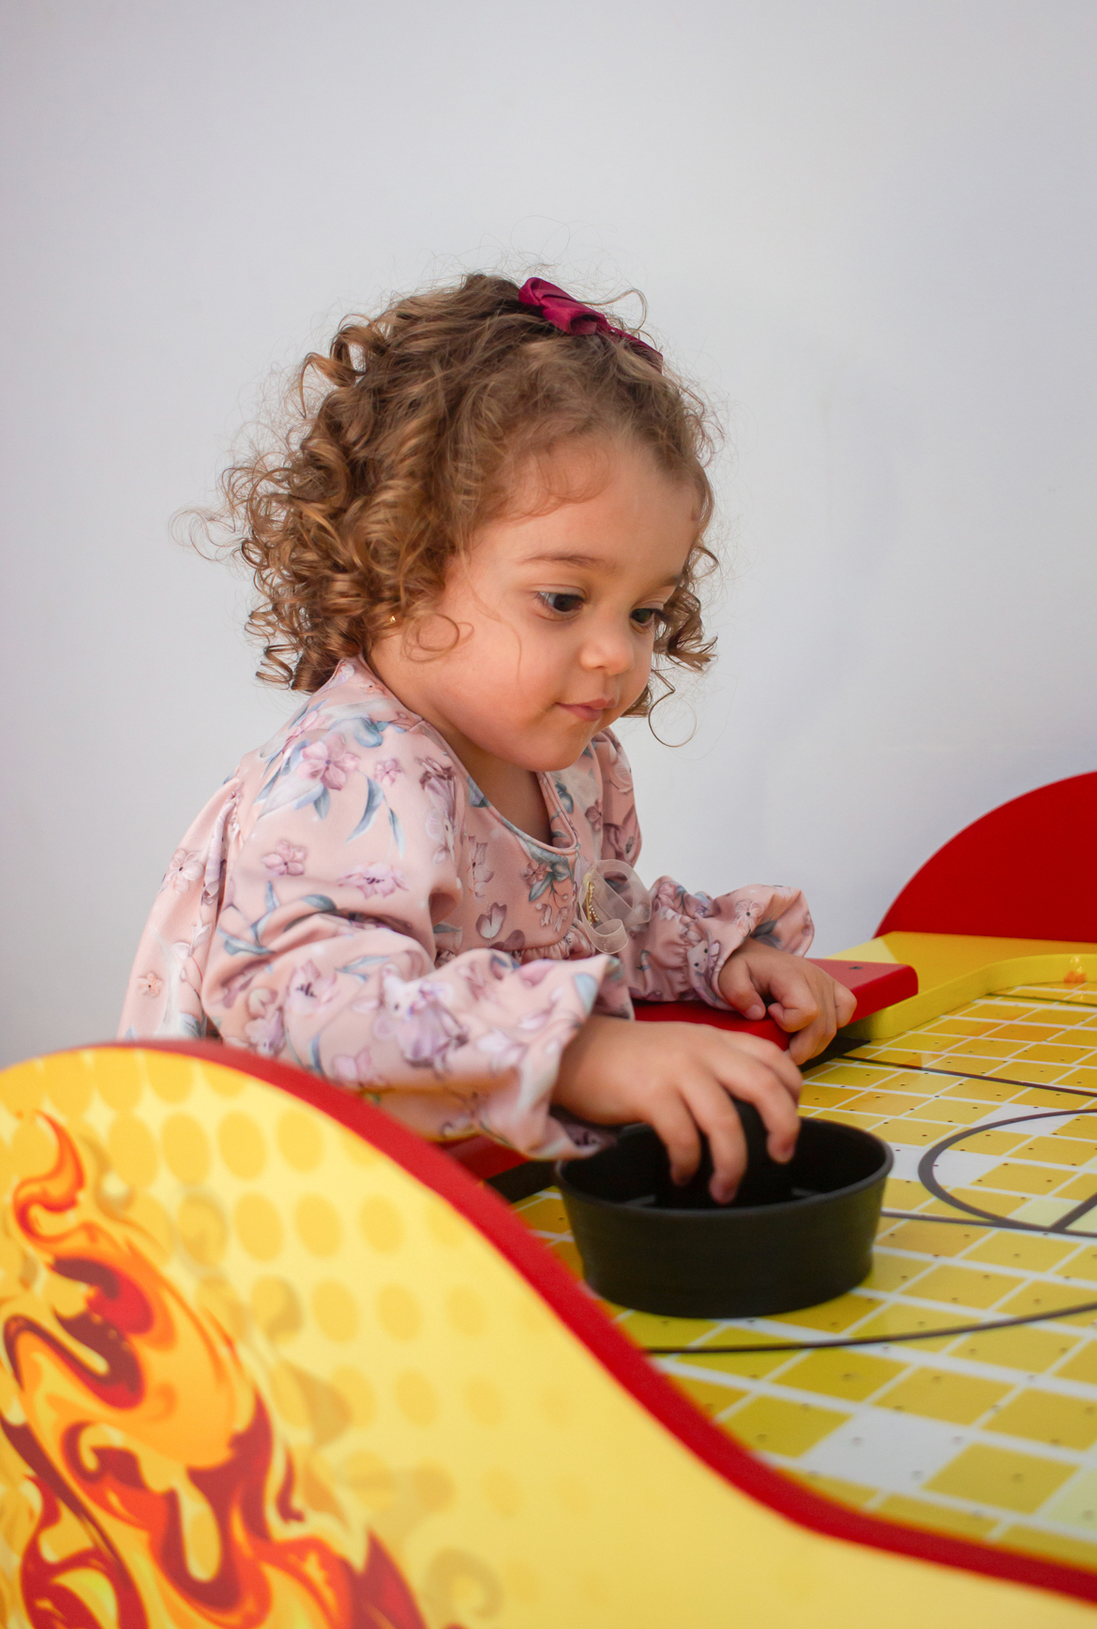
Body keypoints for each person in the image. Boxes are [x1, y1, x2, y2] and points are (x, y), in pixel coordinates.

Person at [121, 274, 854, 1201]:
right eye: (563, 599)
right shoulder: (351, 772)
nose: (613, 654)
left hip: (462, 1191)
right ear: (402, 560)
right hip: (272, 1225)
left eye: (645, 611)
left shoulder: (573, 762)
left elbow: (592, 922)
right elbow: (308, 1007)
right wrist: (581, 1051)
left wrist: (717, 961)